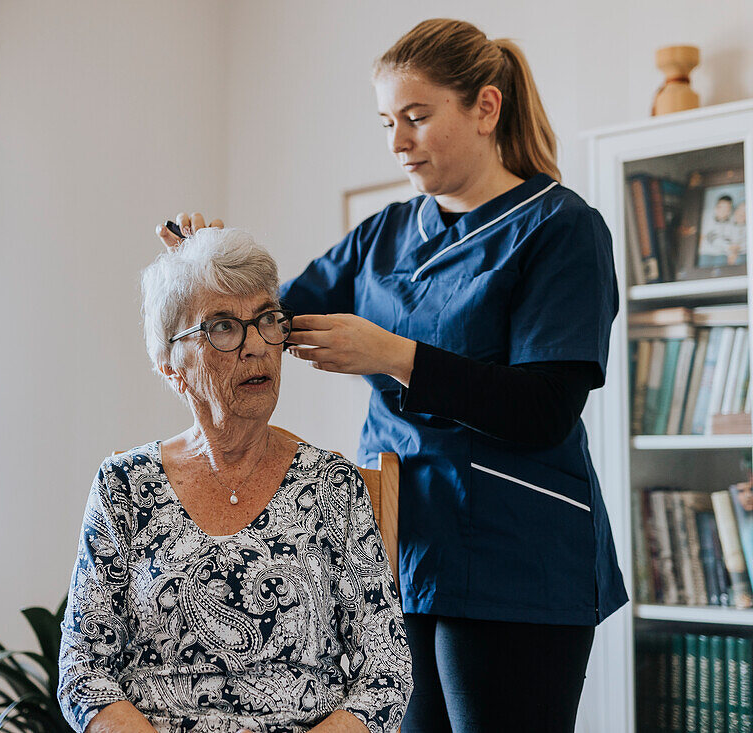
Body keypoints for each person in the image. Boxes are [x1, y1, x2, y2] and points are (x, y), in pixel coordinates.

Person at [157, 18, 627, 733]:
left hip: (515, 559)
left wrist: (393, 354)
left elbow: (545, 409)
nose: (398, 142)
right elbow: (270, 319)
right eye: (387, 122)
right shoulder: (385, 233)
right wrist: (209, 259)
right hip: (399, 547)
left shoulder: (559, 228)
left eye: (416, 117)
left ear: (486, 107)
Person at [58, 228, 412, 733]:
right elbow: (83, 673)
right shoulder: (125, 486)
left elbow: (386, 675)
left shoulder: (333, 485)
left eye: (268, 320)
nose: (256, 347)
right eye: (222, 327)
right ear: (172, 366)